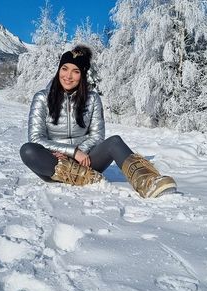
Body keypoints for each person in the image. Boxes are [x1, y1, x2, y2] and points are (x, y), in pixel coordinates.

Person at [20, 45, 177, 198]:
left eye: (75, 71)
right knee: (28, 150)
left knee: (115, 142)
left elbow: (97, 136)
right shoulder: (41, 98)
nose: (68, 76)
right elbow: (36, 138)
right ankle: (79, 176)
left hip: (86, 162)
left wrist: (80, 153)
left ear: (82, 75)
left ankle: (146, 182)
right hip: (54, 164)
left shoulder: (92, 99)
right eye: (64, 68)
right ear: (59, 70)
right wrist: (72, 152)